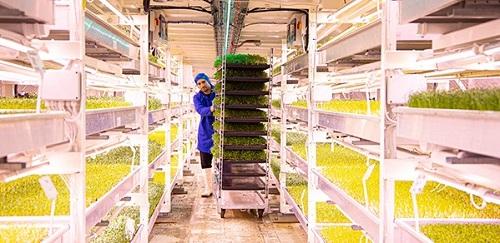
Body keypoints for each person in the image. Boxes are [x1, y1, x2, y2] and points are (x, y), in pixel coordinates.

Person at [193, 73, 216, 197]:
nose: (202, 85)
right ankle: (208, 189)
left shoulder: (218, 92)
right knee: (205, 162)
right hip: (205, 132)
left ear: (208, 81)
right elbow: (200, 110)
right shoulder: (197, 97)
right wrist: (211, 109)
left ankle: (223, 184)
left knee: (223, 160)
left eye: (203, 82)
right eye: (199, 84)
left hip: (220, 129)